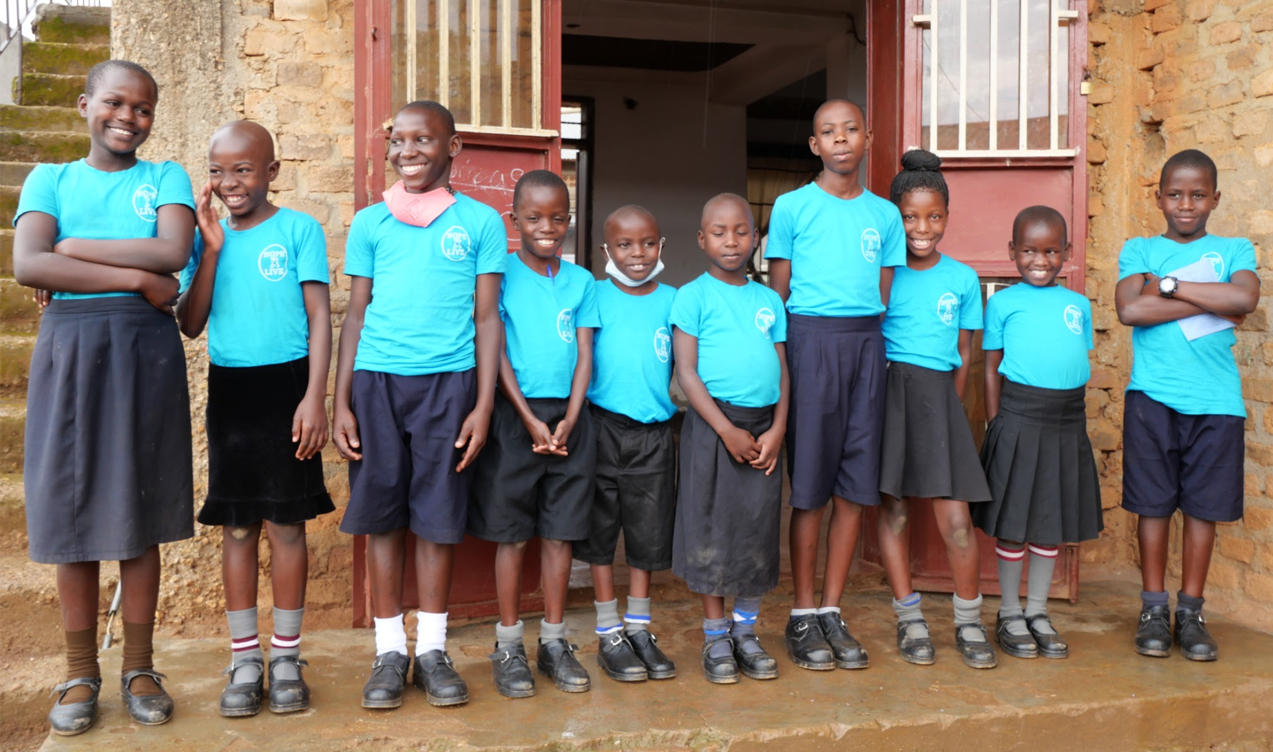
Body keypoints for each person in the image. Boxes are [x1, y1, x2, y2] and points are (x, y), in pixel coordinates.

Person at [13, 60, 196, 734]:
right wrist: (134, 276)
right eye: (115, 103)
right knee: (75, 503)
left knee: (140, 506)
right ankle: (80, 670)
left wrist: (77, 247)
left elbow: (173, 249)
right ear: (86, 104)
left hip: (143, 355)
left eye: (143, 108)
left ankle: (140, 666)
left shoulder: (165, 177)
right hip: (71, 353)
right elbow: (30, 263)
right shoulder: (50, 178)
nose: (129, 117)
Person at [333, 101, 506, 709]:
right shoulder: (370, 223)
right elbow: (354, 316)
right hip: (377, 384)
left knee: (437, 517)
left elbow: (487, 320)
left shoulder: (481, 223)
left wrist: (483, 405)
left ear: (453, 147)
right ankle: (389, 651)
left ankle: (431, 648)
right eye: (398, 140)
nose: (408, 151)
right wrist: (340, 402)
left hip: (449, 386)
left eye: (423, 140)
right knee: (382, 516)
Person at [176, 120, 334, 717]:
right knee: (238, 527)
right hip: (232, 392)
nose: (229, 182)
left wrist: (315, 396)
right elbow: (191, 322)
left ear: (271, 172)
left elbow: (320, 317)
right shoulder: (204, 234)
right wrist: (210, 249)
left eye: (243, 169)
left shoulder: (299, 230)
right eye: (218, 170)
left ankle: (287, 656)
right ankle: (245, 657)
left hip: (290, 387)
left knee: (288, 526)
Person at [764, 99, 904, 671]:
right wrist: (791, 361)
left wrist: (865, 346)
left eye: (850, 130)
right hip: (810, 343)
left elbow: (885, 293)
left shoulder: (885, 216)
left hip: (866, 345)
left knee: (854, 486)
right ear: (814, 145)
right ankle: (801, 613)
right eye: (828, 131)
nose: (840, 139)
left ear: (867, 138)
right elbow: (778, 294)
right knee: (812, 489)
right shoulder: (793, 206)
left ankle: (830, 609)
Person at [1114, 149, 1258, 662]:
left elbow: (1243, 301)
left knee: (1203, 508)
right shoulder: (1139, 248)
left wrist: (1169, 286)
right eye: (1175, 194)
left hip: (1217, 403)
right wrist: (1207, 296)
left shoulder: (1234, 248)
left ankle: (1190, 612)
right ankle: (1153, 608)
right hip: (1152, 396)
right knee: (1153, 505)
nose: (1186, 204)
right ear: (1159, 198)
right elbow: (1131, 308)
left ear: (1215, 198)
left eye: (1198, 195)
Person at [468, 170, 599, 697]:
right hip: (515, 417)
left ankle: (553, 640)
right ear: (514, 220)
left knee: (561, 532)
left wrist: (570, 415)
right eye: (534, 218)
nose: (548, 228)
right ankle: (508, 644)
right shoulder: (500, 276)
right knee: (512, 533)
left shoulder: (582, 281)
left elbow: (586, 352)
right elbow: (495, 351)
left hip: (570, 419)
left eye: (559, 217)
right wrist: (527, 418)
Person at [877, 150, 996, 669]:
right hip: (888, 395)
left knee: (957, 522)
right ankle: (910, 620)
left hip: (939, 400)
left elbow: (966, 353)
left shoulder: (964, 279)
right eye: (909, 216)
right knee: (895, 511)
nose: (921, 228)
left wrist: (950, 407)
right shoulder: (882, 273)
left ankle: (968, 623)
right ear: (893, 217)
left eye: (933, 216)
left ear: (947, 217)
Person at [972, 206, 1102, 661]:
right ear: (1012, 252)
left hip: (1067, 420)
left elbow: (1072, 358)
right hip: (1018, 416)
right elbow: (990, 369)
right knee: (1013, 524)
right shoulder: (1002, 303)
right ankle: (1009, 612)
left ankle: (1038, 610)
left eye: (1050, 251)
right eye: (1029, 250)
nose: (1039, 260)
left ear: (1066, 252)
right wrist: (995, 423)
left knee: (1050, 521)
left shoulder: (1077, 305)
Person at [671, 193, 789, 684]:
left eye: (741, 231)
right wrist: (725, 429)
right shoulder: (692, 296)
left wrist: (779, 427)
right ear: (702, 239)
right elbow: (687, 372)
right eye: (719, 232)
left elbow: (783, 369)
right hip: (714, 427)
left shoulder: (769, 301)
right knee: (711, 529)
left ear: (756, 239)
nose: (731, 241)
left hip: (764, 430)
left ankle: (745, 629)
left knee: (757, 527)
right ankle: (716, 633)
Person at [573, 205, 678, 682]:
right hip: (600, 429)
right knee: (600, 533)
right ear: (606, 251)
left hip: (655, 434)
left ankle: (639, 628)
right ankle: (608, 630)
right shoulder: (591, 295)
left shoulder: (674, 301)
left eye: (647, 243)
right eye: (624, 245)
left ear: (662, 247)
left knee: (647, 534)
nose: (638, 254)